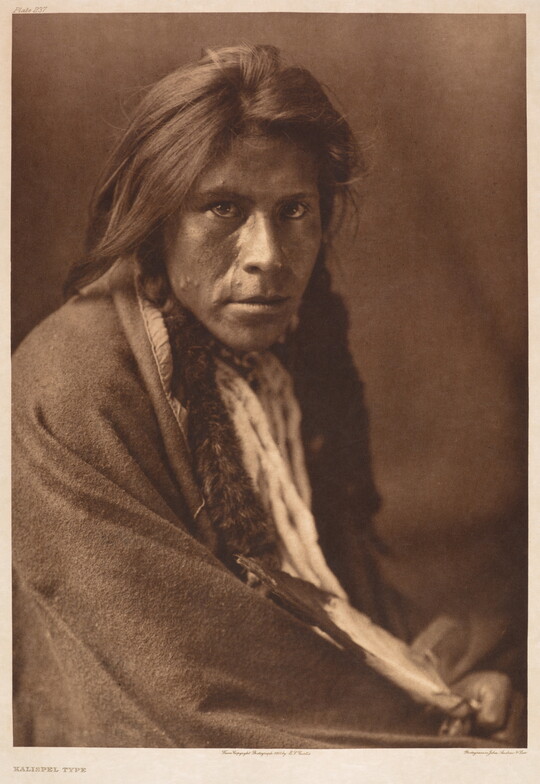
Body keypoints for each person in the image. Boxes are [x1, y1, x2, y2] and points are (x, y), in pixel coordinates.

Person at [12, 43, 523, 748]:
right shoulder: (68, 385)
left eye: (293, 211)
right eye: (222, 207)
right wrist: (420, 718)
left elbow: (330, 597)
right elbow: (182, 682)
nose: (268, 257)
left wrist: (440, 685)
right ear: (157, 219)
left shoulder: (276, 368)